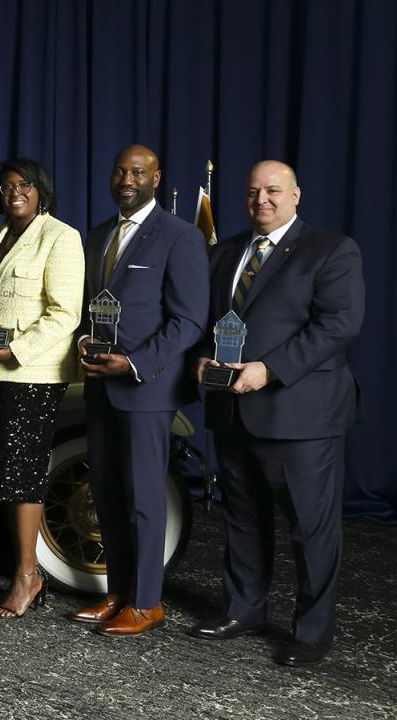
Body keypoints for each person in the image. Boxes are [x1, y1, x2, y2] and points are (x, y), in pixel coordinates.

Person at [188, 161, 364, 667]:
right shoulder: (223, 253)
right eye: (252, 192)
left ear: (295, 195)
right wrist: (202, 355)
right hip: (232, 411)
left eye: (272, 190)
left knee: (310, 529)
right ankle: (244, 610)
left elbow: (340, 324)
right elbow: (212, 321)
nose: (261, 199)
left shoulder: (330, 250)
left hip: (300, 417)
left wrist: (270, 369)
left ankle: (312, 632)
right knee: (242, 519)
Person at [72, 144, 208, 636]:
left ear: (155, 177)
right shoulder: (99, 235)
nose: (126, 178)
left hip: (145, 389)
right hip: (98, 388)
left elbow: (189, 320)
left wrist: (134, 362)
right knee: (105, 494)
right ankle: (118, 593)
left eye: (138, 171)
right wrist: (84, 342)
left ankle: (148, 602)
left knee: (144, 499)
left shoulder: (180, 237)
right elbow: (88, 307)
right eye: (119, 171)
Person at [0, 158, 84, 618]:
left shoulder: (61, 237)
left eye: (24, 185)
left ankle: (26, 578)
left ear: (41, 191)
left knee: (24, 476)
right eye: (5, 186)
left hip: (32, 374)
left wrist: (14, 350)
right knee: (4, 472)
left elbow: (65, 314)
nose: (14, 192)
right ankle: (23, 571)